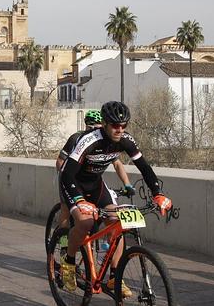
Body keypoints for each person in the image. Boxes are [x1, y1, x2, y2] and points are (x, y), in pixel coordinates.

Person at [59, 101, 173, 297]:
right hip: (74, 184)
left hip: (95, 185)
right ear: (104, 124)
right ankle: (68, 263)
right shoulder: (89, 140)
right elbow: (66, 173)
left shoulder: (126, 140)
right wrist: (79, 200)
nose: (119, 130)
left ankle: (114, 277)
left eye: (123, 125)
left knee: (117, 220)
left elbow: (144, 168)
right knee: (85, 223)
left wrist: (158, 194)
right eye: (115, 125)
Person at [55, 110, 133, 231]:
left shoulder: (104, 140)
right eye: (92, 127)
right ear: (87, 125)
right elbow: (60, 161)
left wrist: (127, 184)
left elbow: (117, 163)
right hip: (70, 177)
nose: (95, 130)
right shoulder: (76, 138)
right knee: (65, 209)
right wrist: (67, 181)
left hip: (91, 180)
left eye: (99, 127)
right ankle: (64, 240)